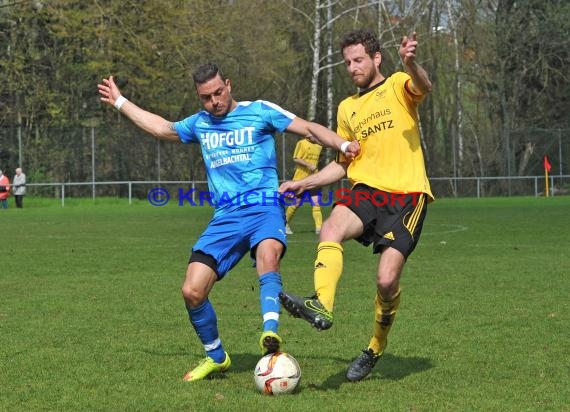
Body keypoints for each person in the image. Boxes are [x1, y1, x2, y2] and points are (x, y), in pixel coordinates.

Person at [97, 63, 359, 382]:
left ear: (229, 86)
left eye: (218, 93)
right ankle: (216, 357)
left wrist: (343, 146)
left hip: (264, 206)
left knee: (268, 255)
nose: (214, 102)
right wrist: (121, 101)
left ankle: (270, 331)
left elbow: (308, 128)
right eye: (206, 97)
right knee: (192, 291)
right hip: (225, 218)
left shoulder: (260, 111)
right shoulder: (201, 124)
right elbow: (162, 128)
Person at [278, 29, 434, 382]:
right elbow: (344, 163)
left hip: (408, 196)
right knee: (331, 227)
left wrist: (411, 63)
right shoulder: (347, 108)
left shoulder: (397, 84)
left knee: (386, 280)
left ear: (377, 58)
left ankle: (375, 347)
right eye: (347, 62)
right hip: (366, 191)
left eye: (358, 59)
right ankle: (322, 304)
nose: (352, 67)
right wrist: (304, 183)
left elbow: (424, 87)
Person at [285, 136, 323, 235]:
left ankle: (319, 228)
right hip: (300, 179)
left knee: (316, 203)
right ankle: (284, 224)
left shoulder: (319, 146)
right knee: (296, 203)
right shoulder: (301, 143)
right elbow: (296, 158)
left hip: (314, 179)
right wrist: (308, 165)